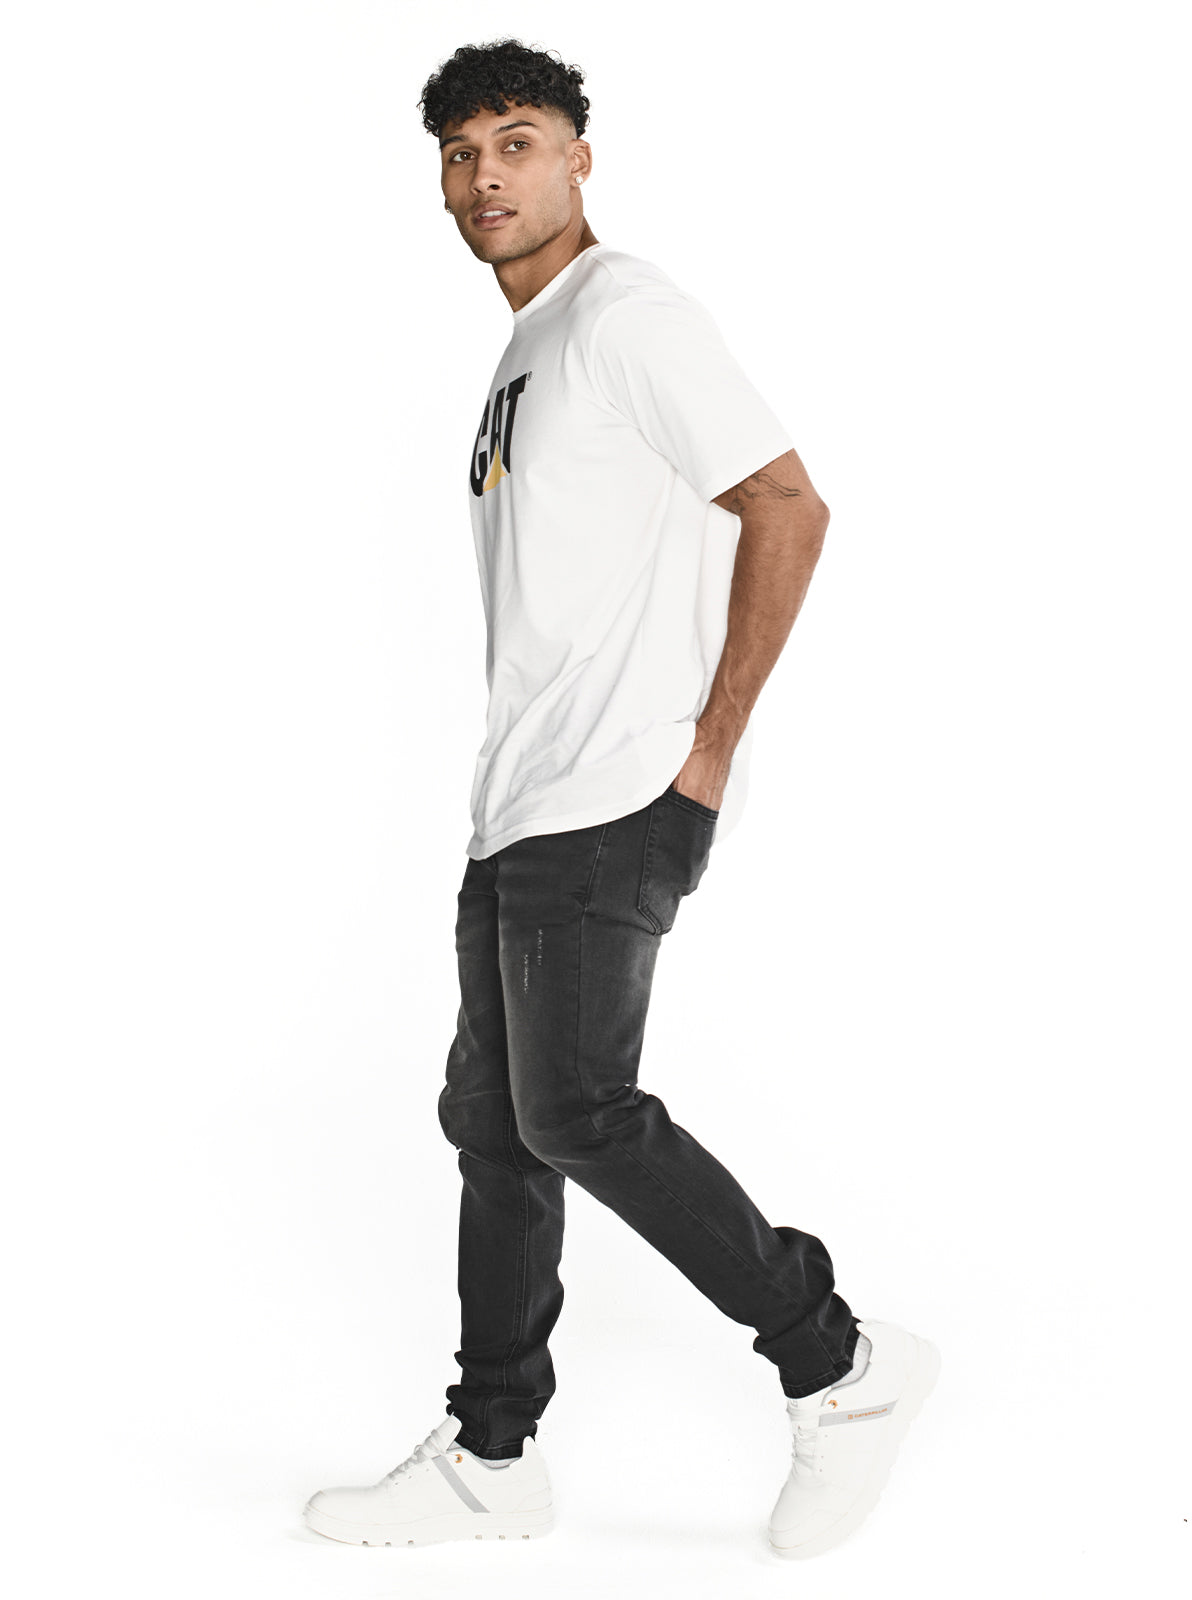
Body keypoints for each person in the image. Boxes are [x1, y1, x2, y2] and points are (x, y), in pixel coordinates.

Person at [304, 37, 939, 1560]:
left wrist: (707, 750)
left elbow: (788, 504)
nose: (487, 177)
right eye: (461, 154)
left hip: (616, 789)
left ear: (580, 157)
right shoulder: (525, 352)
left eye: (517, 142)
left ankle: (838, 1362)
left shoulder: (626, 314)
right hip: (520, 802)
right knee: (497, 1126)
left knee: (576, 1111)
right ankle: (493, 1456)